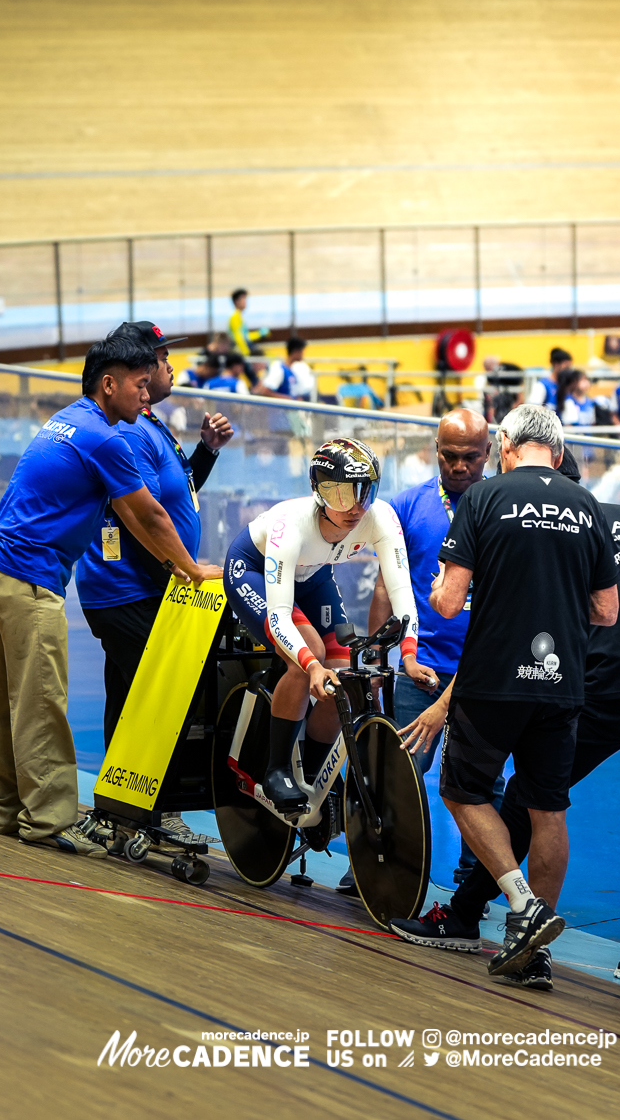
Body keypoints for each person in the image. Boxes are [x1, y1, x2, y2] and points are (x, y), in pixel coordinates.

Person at [410, 492, 620, 991]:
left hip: (612, 688)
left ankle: (464, 912)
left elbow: (527, 634)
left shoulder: (555, 533)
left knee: (530, 797)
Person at [386, 404, 619, 989]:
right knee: (547, 809)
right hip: (562, 681)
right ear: (558, 455)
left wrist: (445, 583)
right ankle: (531, 951)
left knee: (463, 791)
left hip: (493, 681)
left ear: (505, 447)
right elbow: (607, 611)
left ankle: (523, 906)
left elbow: (446, 601)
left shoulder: (485, 500)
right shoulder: (587, 505)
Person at [0, 332, 220, 855]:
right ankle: (48, 819)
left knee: (4, 700)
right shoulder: (105, 438)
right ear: (109, 385)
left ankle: (6, 810)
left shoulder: (72, 420)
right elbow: (149, 514)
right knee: (42, 701)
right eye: (138, 384)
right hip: (28, 576)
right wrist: (191, 570)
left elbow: (132, 513)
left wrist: (174, 562)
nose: (146, 393)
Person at [75, 322, 235, 848]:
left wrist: (205, 452)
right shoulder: (130, 430)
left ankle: (117, 808)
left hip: (143, 587)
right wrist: (183, 572)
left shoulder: (150, 422)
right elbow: (142, 518)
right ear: (138, 369)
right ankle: (158, 808)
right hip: (132, 588)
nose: (170, 369)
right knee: (164, 695)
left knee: (127, 694)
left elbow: (176, 491)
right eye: (163, 359)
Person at [221, 438, 425, 811]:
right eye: (343, 493)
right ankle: (277, 769)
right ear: (318, 490)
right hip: (251, 569)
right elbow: (281, 614)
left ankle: (314, 774)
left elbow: (402, 594)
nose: (356, 506)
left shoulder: (380, 517)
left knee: (349, 677)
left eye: (366, 492)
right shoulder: (290, 524)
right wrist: (311, 666)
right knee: (308, 655)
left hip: (313, 575)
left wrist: (408, 655)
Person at [369, 409, 504, 887]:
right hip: (419, 664)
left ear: (489, 454)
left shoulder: (505, 509)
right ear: (436, 451)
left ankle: (477, 879)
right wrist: (379, 660)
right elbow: (387, 586)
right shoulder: (407, 506)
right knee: (399, 769)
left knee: (482, 783)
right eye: (449, 456)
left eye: (470, 457)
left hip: (484, 671)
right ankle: (380, 861)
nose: (460, 466)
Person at [260, 335, 316, 400]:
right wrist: (289, 399)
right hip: (280, 409)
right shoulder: (280, 370)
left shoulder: (292, 370)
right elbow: (265, 392)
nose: (303, 355)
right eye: (301, 351)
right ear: (295, 352)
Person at [228, 288, 265, 356]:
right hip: (240, 353)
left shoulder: (239, 316)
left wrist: (259, 334)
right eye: (243, 299)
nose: (245, 302)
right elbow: (239, 338)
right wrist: (246, 354)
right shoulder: (235, 317)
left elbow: (245, 336)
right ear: (236, 301)